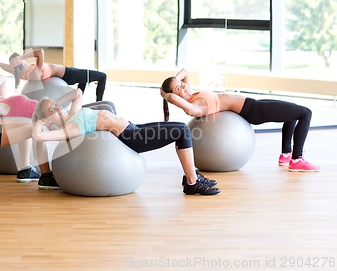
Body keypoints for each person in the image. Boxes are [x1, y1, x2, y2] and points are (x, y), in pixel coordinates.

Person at [31, 88, 220, 195]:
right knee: (182, 130)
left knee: (179, 128)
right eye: (51, 110)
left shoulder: (72, 115)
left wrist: (54, 103)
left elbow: (77, 92)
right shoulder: (68, 129)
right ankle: (192, 182)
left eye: (56, 105)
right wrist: (39, 120)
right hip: (131, 137)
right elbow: (38, 136)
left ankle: (191, 177)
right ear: (47, 121)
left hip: (133, 127)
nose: (57, 108)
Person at [0, 75, 117, 188]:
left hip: (58, 112)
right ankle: (46, 175)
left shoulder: (3, 97)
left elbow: (3, 78)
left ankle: (113, 148)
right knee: (107, 109)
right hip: (52, 120)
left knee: (107, 104)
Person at [160, 68, 319, 172]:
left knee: (292, 111)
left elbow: (185, 71)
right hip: (253, 111)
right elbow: (187, 108)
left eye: (181, 84)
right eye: (179, 88)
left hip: (252, 103)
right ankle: (297, 159)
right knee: (306, 113)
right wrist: (167, 96)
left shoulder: (192, 94)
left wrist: (173, 84)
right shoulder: (195, 105)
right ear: (175, 96)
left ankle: (286, 155)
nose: (184, 86)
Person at [0, 49, 108, 101]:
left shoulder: (21, 74)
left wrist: (12, 64)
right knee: (102, 76)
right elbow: (40, 52)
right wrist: (21, 57)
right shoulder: (34, 72)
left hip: (68, 72)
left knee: (83, 81)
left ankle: (77, 102)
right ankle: (99, 102)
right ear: (19, 62)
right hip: (68, 75)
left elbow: (1, 65)